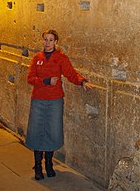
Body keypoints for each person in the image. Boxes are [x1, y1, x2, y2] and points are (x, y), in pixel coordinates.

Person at [25, 29, 93, 180]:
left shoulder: (61, 57)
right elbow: (30, 78)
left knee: (52, 131)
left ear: (56, 42)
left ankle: (49, 164)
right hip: (38, 100)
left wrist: (82, 81)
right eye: (45, 39)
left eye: (51, 40)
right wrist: (45, 81)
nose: (47, 43)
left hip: (55, 100)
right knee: (36, 131)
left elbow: (71, 74)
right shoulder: (37, 58)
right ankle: (38, 166)